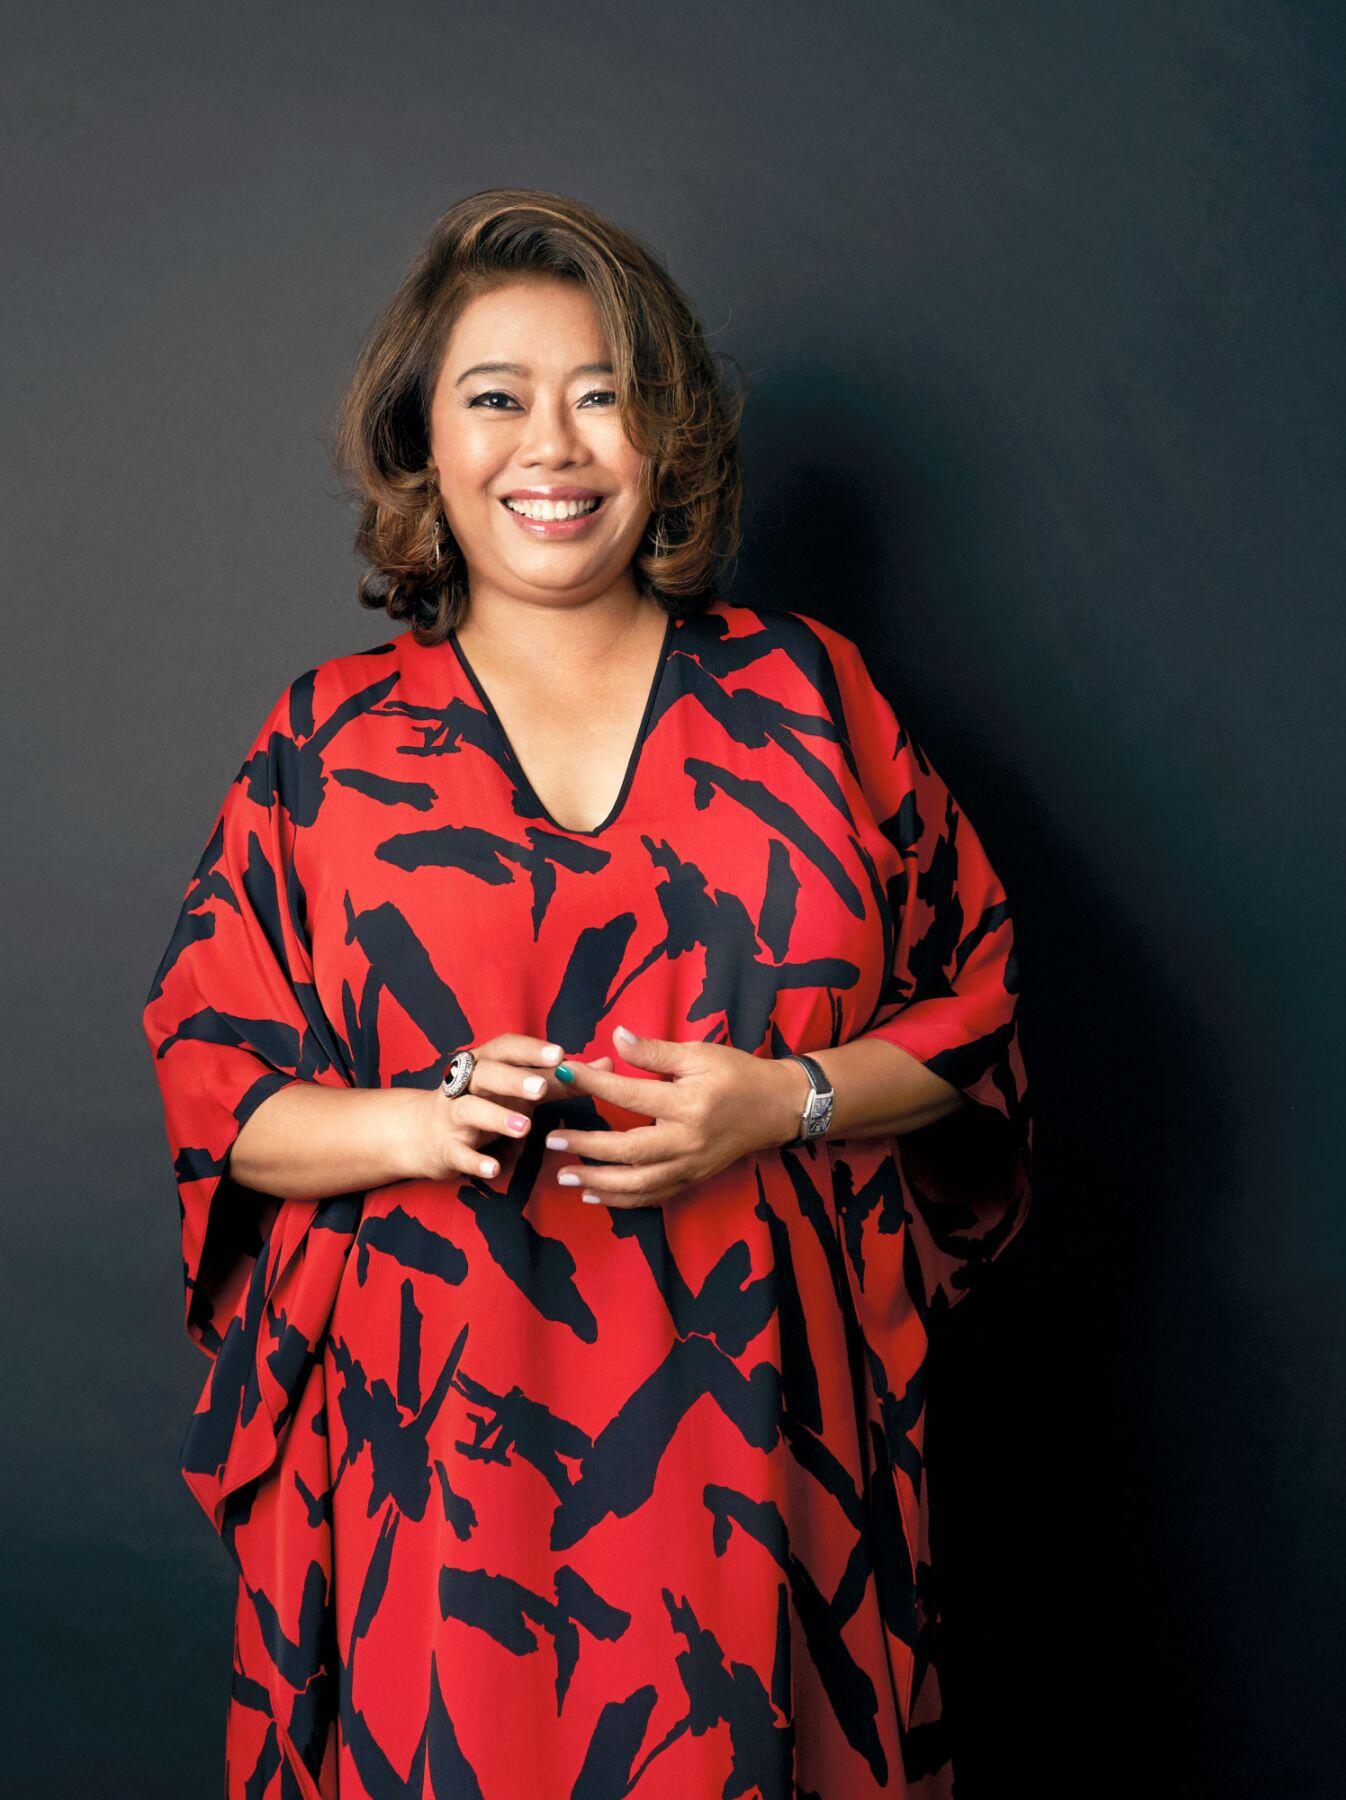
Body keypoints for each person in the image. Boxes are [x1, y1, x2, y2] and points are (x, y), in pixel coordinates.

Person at [141, 187, 1032, 1800]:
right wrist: (418, 1126)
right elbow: (221, 1100)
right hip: (440, 1467)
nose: (552, 447)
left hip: (769, 1455)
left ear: (663, 435)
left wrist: (787, 1100)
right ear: (425, 439)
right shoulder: (323, 748)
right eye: (498, 398)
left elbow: (974, 1019)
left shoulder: (812, 701)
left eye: (601, 393)